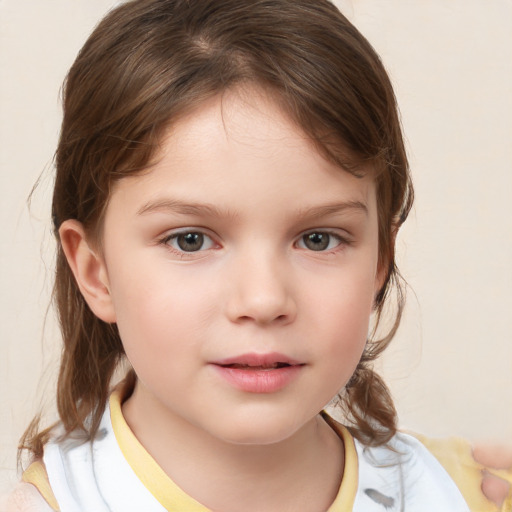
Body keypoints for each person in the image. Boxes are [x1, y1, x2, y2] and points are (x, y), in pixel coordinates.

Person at [2, 0, 511, 510]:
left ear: (380, 261)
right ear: (96, 273)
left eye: (318, 239)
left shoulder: (468, 495)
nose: (264, 300)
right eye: (190, 240)